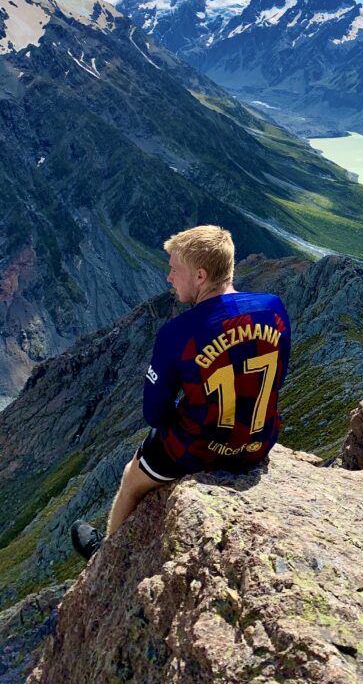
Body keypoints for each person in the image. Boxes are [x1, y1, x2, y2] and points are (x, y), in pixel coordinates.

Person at [71, 225, 291, 560]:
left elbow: (155, 413)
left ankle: (105, 558)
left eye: (174, 270)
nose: (168, 278)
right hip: (258, 444)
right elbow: (278, 376)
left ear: (200, 276)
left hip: (199, 451)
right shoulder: (273, 309)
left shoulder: (178, 333)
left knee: (131, 477)